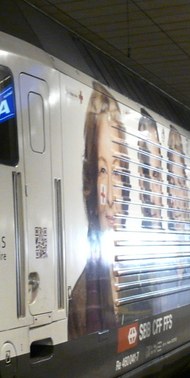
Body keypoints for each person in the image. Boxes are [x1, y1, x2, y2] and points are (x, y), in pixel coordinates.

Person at [69, 84, 130, 339]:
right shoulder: (79, 301)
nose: (112, 195)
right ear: (90, 182)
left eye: (117, 171)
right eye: (102, 171)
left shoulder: (144, 277)